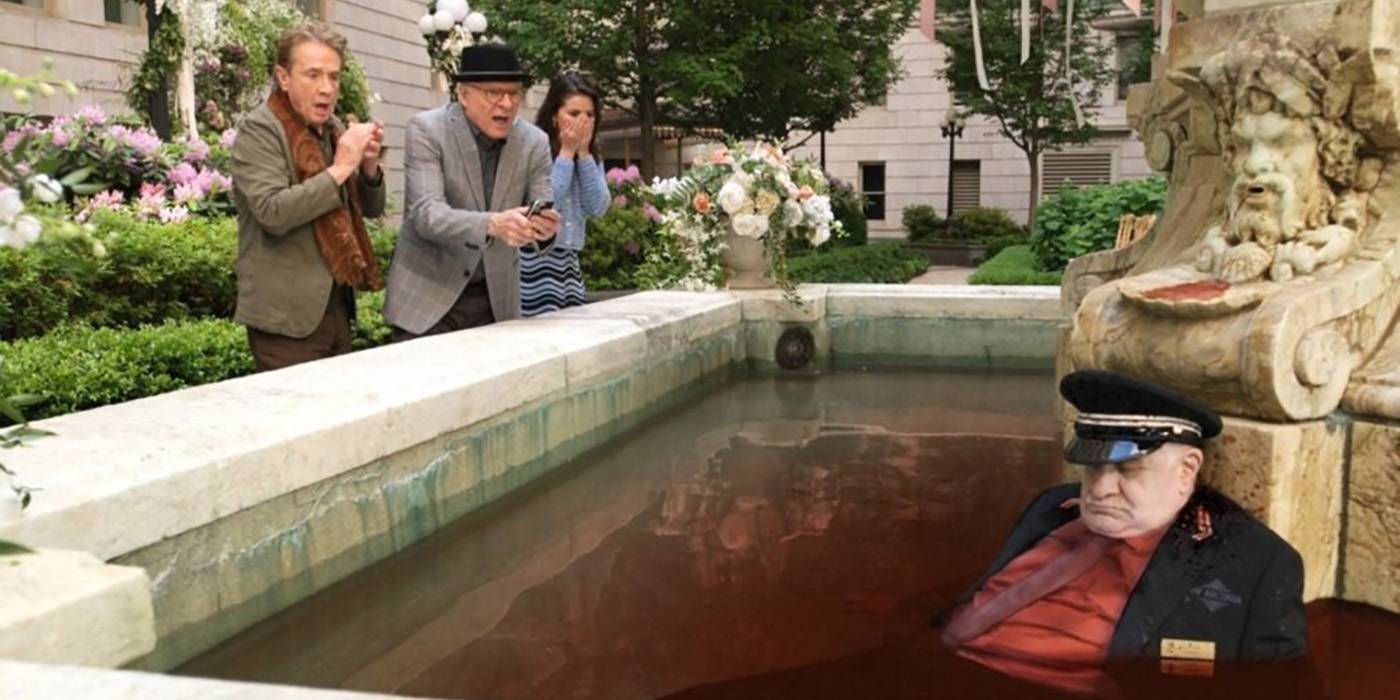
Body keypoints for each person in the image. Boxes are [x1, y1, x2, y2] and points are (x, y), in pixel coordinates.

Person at [937, 369, 1306, 694]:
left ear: (1186, 470)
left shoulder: (1252, 561)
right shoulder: (1052, 508)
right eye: (1093, 468)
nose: (1099, 490)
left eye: (1128, 469)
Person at [231, 23, 386, 371]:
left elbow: (372, 210)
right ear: (283, 78)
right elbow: (273, 212)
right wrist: (343, 166)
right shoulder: (260, 129)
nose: (326, 89)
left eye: (334, 77)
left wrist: (368, 168)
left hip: (336, 308)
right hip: (286, 321)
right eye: (313, 75)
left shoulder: (332, 131)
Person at [384, 44, 561, 339]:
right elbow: (426, 215)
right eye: (494, 93)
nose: (506, 103)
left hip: (495, 302)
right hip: (427, 301)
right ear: (464, 95)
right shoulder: (426, 130)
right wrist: (493, 224)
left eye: (514, 93)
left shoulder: (535, 143)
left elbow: (540, 210)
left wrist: (542, 230)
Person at [519, 73, 610, 316]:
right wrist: (567, 153)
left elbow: (598, 207)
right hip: (533, 263)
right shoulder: (535, 148)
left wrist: (584, 155)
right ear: (554, 116)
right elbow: (545, 204)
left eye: (589, 115)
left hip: (569, 265)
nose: (583, 121)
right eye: (573, 113)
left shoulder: (590, 155)